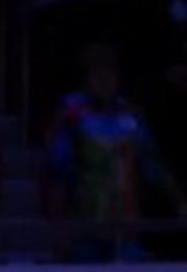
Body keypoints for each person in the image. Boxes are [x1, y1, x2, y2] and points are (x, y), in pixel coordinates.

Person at [45, 43, 187, 260]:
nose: (104, 80)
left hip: (126, 227)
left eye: (109, 72)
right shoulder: (72, 117)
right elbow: (56, 173)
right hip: (86, 229)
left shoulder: (130, 116)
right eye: (97, 73)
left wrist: (179, 200)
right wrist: (59, 227)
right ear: (87, 78)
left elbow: (153, 165)